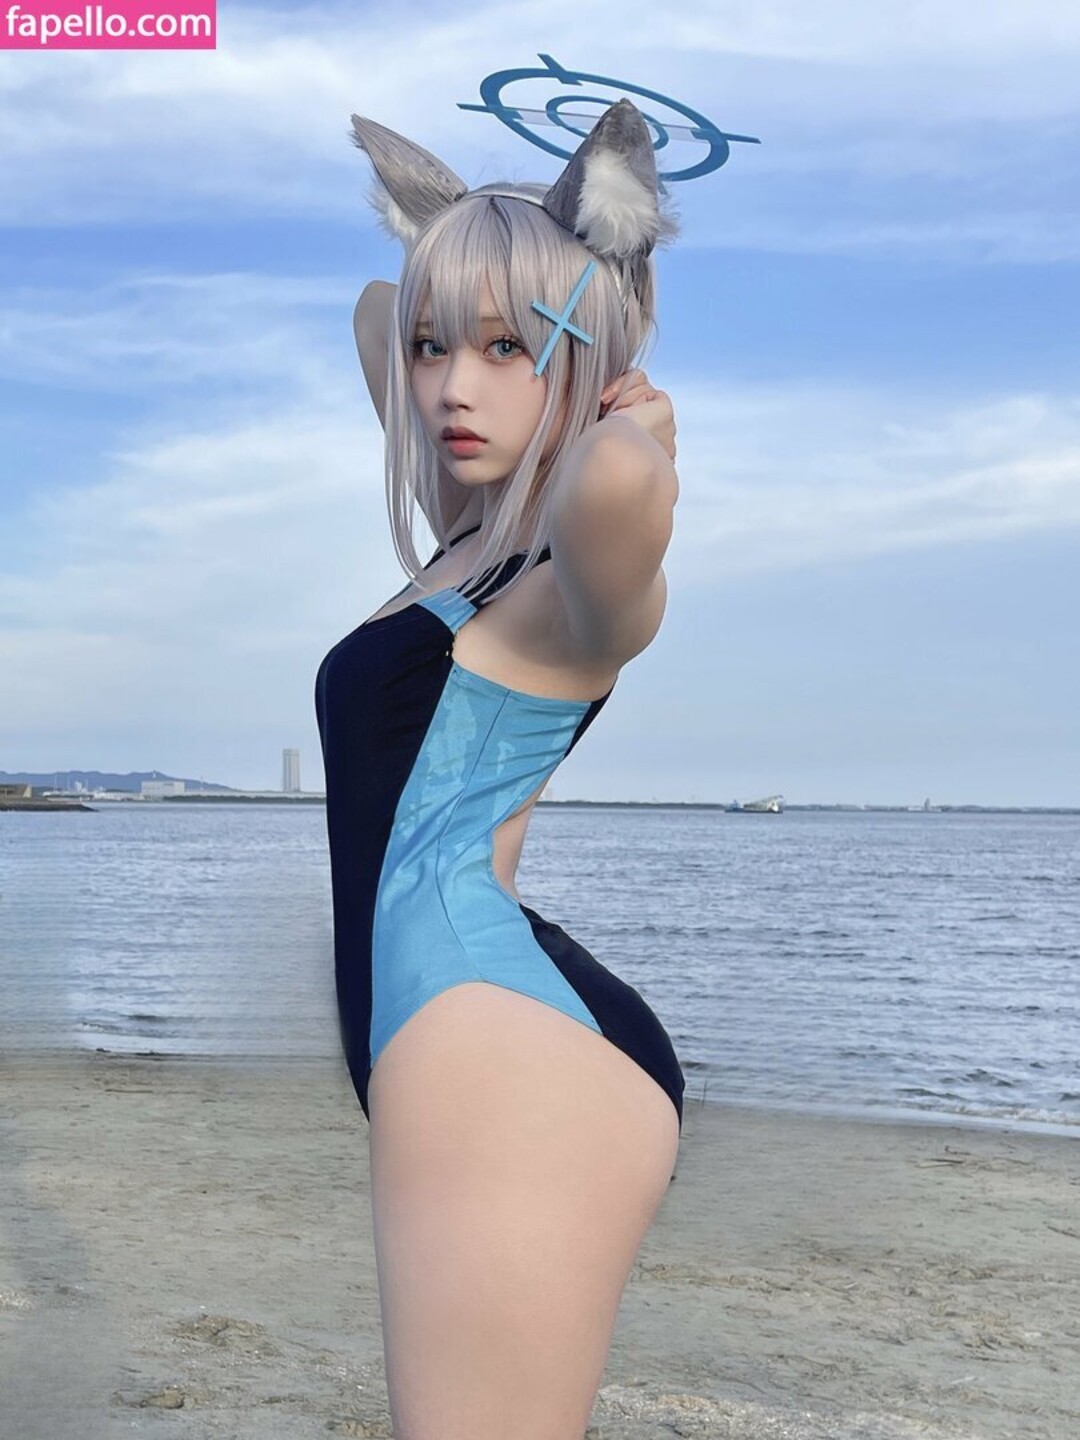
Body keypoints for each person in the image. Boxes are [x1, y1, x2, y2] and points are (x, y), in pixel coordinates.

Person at [314, 97, 686, 1439]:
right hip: (457, 1019)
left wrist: (628, 415)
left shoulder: (564, 576)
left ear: (580, 353)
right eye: (439, 348)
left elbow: (614, 493)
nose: (449, 388)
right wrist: (474, 261)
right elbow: (377, 311)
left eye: (503, 348)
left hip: (499, 1046)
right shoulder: (468, 526)